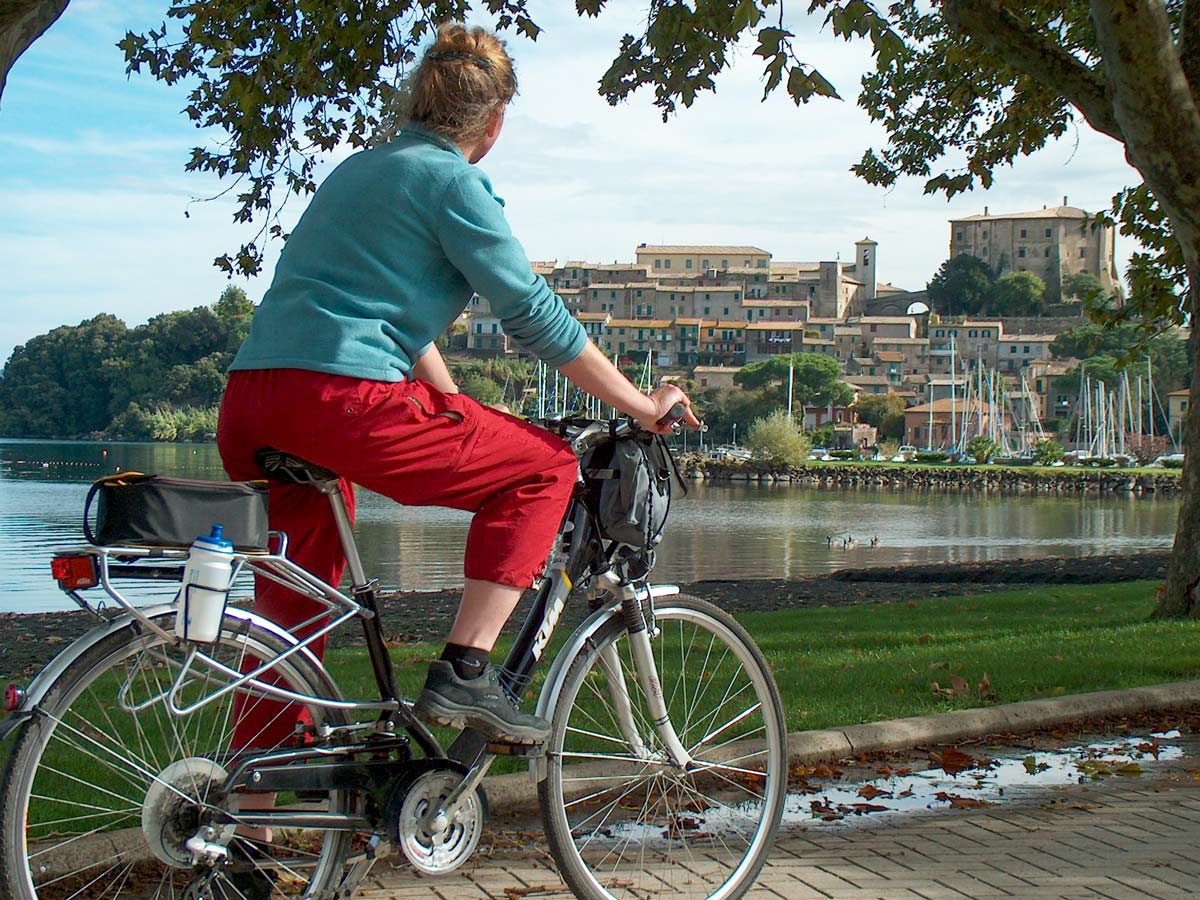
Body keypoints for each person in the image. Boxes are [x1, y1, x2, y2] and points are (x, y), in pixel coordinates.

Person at [217, 23, 697, 748]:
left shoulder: (358, 170)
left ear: (419, 98)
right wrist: (640, 404)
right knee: (545, 468)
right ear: (495, 123)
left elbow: (392, 326)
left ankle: (244, 818)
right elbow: (534, 315)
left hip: (252, 403)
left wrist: (454, 405)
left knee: (290, 623)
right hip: (339, 401)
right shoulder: (454, 183)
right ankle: (466, 673)